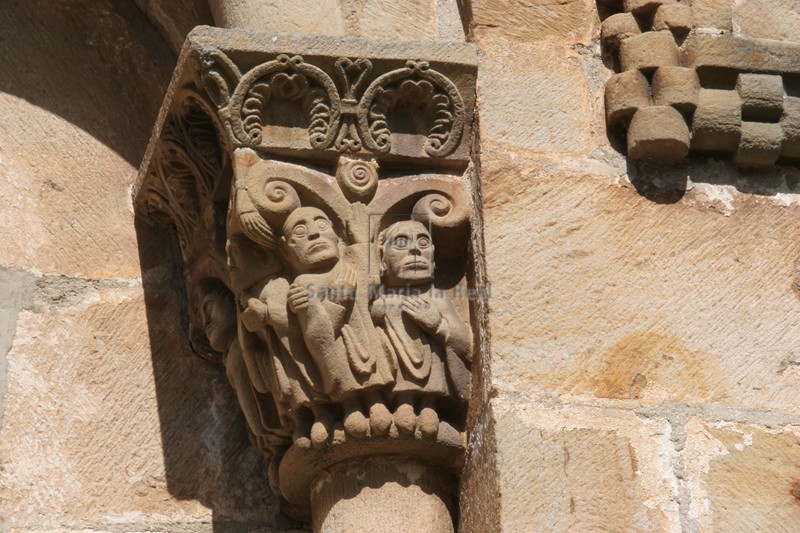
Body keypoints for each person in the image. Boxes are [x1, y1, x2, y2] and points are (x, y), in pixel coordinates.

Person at [371, 220, 472, 437]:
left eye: (424, 241)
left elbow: (466, 344)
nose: (415, 248)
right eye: (400, 242)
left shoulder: (436, 297)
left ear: (433, 259)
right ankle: (402, 401)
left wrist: (437, 325)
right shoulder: (380, 299)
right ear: (382, 260)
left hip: (432, 378)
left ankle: (429, 404)